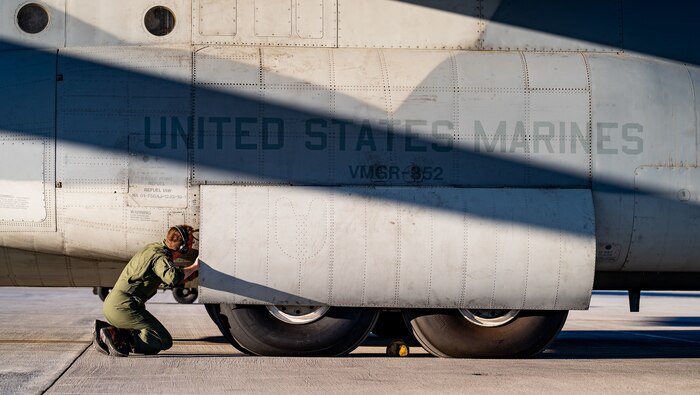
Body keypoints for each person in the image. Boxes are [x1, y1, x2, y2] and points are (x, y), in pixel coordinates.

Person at [93, 225, 200, 357]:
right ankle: (115, 335)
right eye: (191, 242)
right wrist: (195, 267)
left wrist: (189, 274)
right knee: (162, 339)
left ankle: (106, 331)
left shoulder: (153, 248)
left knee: (148, 333)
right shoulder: (160, 258)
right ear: (183, 246)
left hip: (114, 305)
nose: (192, 245)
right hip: (123, 308)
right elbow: (172, 277)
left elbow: (166, 277)